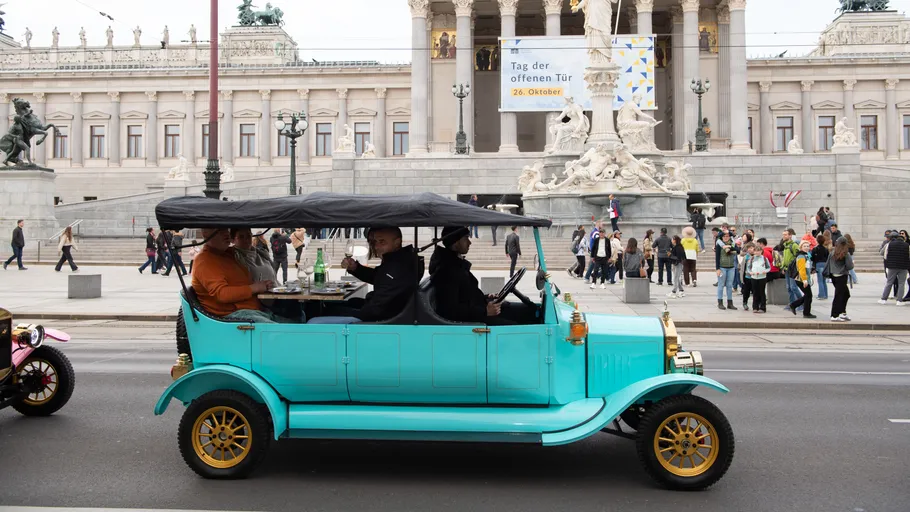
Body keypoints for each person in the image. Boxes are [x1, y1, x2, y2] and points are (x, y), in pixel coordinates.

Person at [311, 227, 420, 324]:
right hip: (383, 313)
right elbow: (378, 277)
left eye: (382, 242)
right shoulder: (399, 261)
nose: (376, 246)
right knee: (344, 304)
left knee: (316, 317)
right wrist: (356, 268)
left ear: (397, 242)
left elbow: (376, 309)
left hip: (377, 320)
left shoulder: (397, 267)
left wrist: (356, 312)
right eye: (375, 242)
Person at [429, 226, 532, 325]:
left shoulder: (455, 264)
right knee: (517, 324)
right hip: (473, 323)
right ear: (455, 242)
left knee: (521, 312)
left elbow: (466, 295)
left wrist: (486, 297)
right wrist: (484, 311)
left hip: (477, 313)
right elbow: (449, 310)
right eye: (466, 239)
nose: (469, 243)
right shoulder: (447, 270)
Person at [190, 228, 292, 324]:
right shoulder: (205, 260)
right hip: (233, 315)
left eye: (226, 229)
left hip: (254, 310)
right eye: (220, 230)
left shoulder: (227, 254)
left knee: (298, 316)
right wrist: (255, 287)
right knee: (283, 332)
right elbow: (222, 294)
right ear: (205, 234)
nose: (226, 233)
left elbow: (247, 254)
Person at [878, 231, 909, 306]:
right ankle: (899, 300)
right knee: (901, 283)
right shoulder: (906, 245)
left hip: (892, 266)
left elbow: (882, 253)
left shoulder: (889, 244)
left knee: (889, 282)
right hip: (903, 266)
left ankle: (883, 299)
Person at [788, 240, 817, 319]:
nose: (806, 248)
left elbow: (806, 267)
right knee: (809, 295)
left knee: (808, 295)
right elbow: (801, 269)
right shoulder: (801, 256)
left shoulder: (806, 255)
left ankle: (794, 305)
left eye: (808, 246)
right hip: (801, 279)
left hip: (804, 278)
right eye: (804, 246)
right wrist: (804, 280)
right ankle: (805, 312)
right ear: (801, 247)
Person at [827, 237, 854, 322]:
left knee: (846, 294)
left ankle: (842, 312)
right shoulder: (845, 253)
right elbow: (850, 266)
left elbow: (828, 263)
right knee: (839, 295)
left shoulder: (832, 252)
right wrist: (852, 263)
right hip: (841, 276)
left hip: (834, 276)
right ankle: (834, 315)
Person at [779, 228, 803, 310]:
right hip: (787, 269)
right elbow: (785, 258)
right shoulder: (785, 245)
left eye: (785, 235)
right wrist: (783, 266)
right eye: (783, 234)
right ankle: (792, 304)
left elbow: (799, 256)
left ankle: (801, 302)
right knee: (789, 287)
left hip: (793, 269)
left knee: (793, 287)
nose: (783, 236)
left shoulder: (794, 245)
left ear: (790, 236)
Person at [715, 231, 738, 310]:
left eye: (727, 236)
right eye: (724, 236)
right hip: (722, 267)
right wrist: (717, 268)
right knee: (721, 285)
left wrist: (730, 247)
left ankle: (730, 303)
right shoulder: (719, 245)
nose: (726, 237)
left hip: (731, 267)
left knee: (729, 285)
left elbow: (737, 250)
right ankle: (720, 302)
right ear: (721, 237)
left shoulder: (733, 243)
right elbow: (717, 257)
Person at [747, 242, 770, 313]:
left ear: (761, 251)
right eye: (756, 251)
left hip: (762, 277)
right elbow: (748, 267)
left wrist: (765, 271)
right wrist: (750, 272)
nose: (757, 252)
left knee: (762, 292)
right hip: (754, 277)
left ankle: (763, 307)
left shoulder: (764, 258)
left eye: (758, 251)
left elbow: (768, 267)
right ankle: (755, 307)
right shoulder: (752, 259)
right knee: (755, 292)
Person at [812, 234, 830, 300]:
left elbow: (812, 258)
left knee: (820, 281)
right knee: (824, 281)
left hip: (818, 264)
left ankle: (821, 295)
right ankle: (825, 294)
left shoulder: (815, 249)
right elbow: (828, 258)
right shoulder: (826, 249)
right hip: (825, 265)